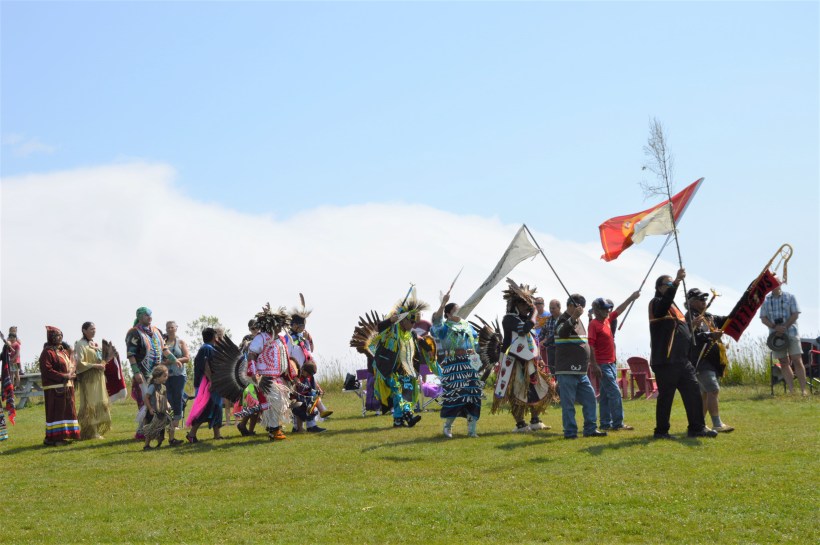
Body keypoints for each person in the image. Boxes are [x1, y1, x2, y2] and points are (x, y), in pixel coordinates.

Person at [648, 269, 717, 439]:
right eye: (668, 283)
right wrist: (677, 282)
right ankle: (661, 431)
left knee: (693, 393)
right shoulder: (656, 303)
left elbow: (682, 331)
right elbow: (662, 308)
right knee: (666, 397)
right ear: (659, 287)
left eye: (672, 282)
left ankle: (697, 428)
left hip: (682, 360)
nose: (671, 285)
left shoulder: (674, 307)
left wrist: (694, 328)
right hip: (666, 360)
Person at [493, 279, 555, 433]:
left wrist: (539, 358)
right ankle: (520, 424)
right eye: (523, 305)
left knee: (536, 389)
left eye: (528, 305)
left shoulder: (524, 318)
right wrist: (535, 311)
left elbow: (532, 340)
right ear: (515, 305)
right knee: (517, 391)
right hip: (514, 362)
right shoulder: (509, 319)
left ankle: (535, 421)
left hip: (531, 362)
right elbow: (525, 329)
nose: (526, 308)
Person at [369, 291, 431, 428]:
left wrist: (429, 349)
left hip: (404, 369)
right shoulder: (391, 330)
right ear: (403, 320)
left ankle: (398, 420)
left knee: (406, 392)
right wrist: (390, 320)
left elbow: (421, 340)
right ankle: (408, 416)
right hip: (387, 368)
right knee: (397, 390)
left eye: (415, 322)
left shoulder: (410, 334)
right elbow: (377, 328)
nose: (413, 324)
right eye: (411, 321)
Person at [554, 295, 607, 439]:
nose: (580, 309)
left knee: (590, 399)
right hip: (567, 370)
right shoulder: (563, 319)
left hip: (581, 371)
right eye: (578, 306)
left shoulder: (579, 321)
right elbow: (561, 332)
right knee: (568, 403)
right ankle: (570, 432)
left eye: (582, 307)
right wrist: (572, 318)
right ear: (571, 305)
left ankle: (590, 429)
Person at [431, 294, 482, 438]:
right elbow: (436, 321)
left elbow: (476, 343)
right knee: (456, 395)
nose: (459, 312)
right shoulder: (444, 327)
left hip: (470, 363)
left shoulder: (468, 326)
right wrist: (443, 304)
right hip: (454, 364)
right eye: (455, 310)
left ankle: (472, 430)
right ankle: (448, 427)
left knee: (473, 395)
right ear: (448, 314)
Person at [588, 293, 640, 431]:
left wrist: (631, 298)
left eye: (608, 308)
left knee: (605, 395)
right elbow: (590, 345)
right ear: (597, 310)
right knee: (615, 393)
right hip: (602, 365)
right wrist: (594, 365)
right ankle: (618, 423)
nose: (608, 310)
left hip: (611, 363)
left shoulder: (607, 319)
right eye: (604, 308)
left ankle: (605, 423)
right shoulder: (593, 324)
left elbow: (619, 310)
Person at [685, 288, 734, 432]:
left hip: (712, 361)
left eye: (705, 299)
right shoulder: (689, 317)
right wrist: (711, 335)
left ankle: (699, 425)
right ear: (691, 302)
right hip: (700, 360)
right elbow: (692, 336)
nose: (704, 301)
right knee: (713, 390)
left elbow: (727, 320)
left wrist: (743, 304)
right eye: (700, 299)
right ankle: (717, 424)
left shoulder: (709, 316)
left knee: (706, 393)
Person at [246, 304, 296, 441]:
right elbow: (252, 354)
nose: (281, 327)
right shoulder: (261, 338)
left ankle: (274, 428)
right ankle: (274, 430)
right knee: (274, 402)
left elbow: (284, 358)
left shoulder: (279, 339)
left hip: (278, 377)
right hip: (264, 378)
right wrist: (253, 372)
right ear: (271, 325)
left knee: (280, 402)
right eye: (279, 324)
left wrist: (289, 374)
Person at [125, 307, 172, 440]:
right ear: (140, 317)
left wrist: (175, 360)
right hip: (143, 372)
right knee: (148, 401)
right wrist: (136, 372)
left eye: (150, 315)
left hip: (157, 374)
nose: (149, 317)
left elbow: (164, 348)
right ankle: (143, 431)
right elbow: (131, 354)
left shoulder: (156, 331)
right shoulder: (134, 332)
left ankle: (152, 430)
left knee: (158, 400)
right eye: (146, 315)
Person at [760, 286, 807, 395]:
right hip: (775, 336)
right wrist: (775, 327)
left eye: (776, 282)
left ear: (780, 284)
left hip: (792, 333)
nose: (774, 285)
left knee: (797, 360)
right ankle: (791, 391)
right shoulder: (765, 300)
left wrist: (784, 326)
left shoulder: (790, 297)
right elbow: (763, 318)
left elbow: (795, 314)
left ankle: (803, 390)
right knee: (784, 362)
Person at [288, 304, 333, 420]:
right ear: (294, 325)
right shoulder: (288, 338)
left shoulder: (302, 337)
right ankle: (299, 426)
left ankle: (312, 423)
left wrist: (307, 339)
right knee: (300, 399)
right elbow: (287, 356)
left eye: (304, 325)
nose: (304, 327)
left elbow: (309, 351)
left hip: (306, 371)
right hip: (295, 373)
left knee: (311, 395)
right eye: (302, 325)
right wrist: (293, 374)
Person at [39, 326, 80, 446]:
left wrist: (72, 375)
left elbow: (70, 365)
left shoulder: (63, 351)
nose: (59, 337)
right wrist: (64, 376)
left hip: (67, 387)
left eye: (61, 335)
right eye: (57, 335)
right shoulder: (47, 352)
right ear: (50, 337)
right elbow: (47, 370)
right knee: (57, 413)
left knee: (68, 412)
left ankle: (67, 435)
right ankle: (56, 438)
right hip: (54, 389)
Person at [73, 322, 112, 439]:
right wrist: (95, 365)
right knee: (90, 404)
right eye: (91, 329)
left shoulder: (93, 343)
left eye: (95, 329)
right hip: (88, 378)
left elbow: (99, 358)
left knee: (99, 402)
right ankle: (91, 431)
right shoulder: (80, 344)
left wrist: (102, 363)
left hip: (98, 377)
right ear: (84, 330)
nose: (94, 331)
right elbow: (79, 363)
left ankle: (93, 431)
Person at [186, 327, 224, 442]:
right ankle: (191, 434)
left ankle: (217, 434)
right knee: (206, 409)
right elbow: (206, 366)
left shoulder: (210, 348)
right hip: (207, 385)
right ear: (213, 337)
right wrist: (211, 381)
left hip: (213, 383)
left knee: (217, 408)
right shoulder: (207, 348)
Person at [163, 321, 190, 440]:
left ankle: (176, 421)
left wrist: (173, 361)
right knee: (168, 397)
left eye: (172, 327)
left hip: (179, 375)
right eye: (168, 327)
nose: (170, 329)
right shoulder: (163, 343)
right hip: (165, 375)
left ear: (176, 328)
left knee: (178, 396)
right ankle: (169, 420)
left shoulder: (180, 342)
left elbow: (187, 358)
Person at [142, 365, 179, 449]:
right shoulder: (152, 386)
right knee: (150, 429)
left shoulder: (163, 387)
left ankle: (171, 440)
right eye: (164, 376)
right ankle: (146, 445)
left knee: (169, 424)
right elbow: (146, 398)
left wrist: (168, 406)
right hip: (153, 412)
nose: (166, 377)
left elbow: (165, 398)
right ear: (157, 376)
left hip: (161, 411)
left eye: (167, 376)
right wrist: (150, 408)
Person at [291, 361, 327, 433]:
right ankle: (299, 429)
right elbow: (293, 389)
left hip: (306, 399)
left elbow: (312, 387)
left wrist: (318, 390)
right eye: (308, 374)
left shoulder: (309, 377)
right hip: (297, 399)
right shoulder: (297, 377)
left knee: (315, 401)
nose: (308, 376)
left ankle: (322, 413)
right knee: (299, 413)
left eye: (310, 375)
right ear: (303, 370)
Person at [538, 299, 562, 376]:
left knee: (561, 368)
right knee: (552, 368)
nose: (551, 310)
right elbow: (542, 333)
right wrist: (537, 341)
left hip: (561, 348)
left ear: (559, 308)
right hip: (551, 348)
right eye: (550, 308)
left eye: (553, 308)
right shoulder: (548, 319)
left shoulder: (564, 319)